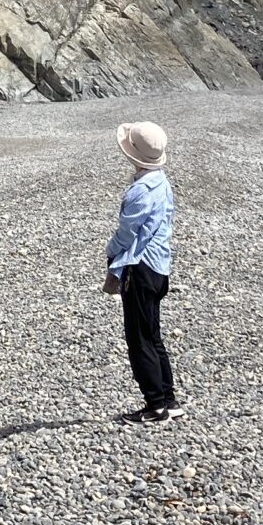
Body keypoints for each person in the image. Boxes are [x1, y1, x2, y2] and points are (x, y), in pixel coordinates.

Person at [102, 120, 178, 422]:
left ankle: (155, 404)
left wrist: (109, 251)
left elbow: (126, 234)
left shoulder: (140, 190)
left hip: (140, 269)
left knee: (139, 338)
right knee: (153, 335)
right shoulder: (162, 181)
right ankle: (169, 400)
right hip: (159, 266)